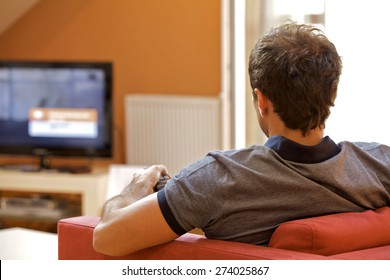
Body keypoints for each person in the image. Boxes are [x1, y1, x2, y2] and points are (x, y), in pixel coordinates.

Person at [93, 23, 390, 256]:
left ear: (261, 101)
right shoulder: (380, 164)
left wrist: (135, 188)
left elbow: (105, 237)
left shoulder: (217, 180)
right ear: (332, 94)